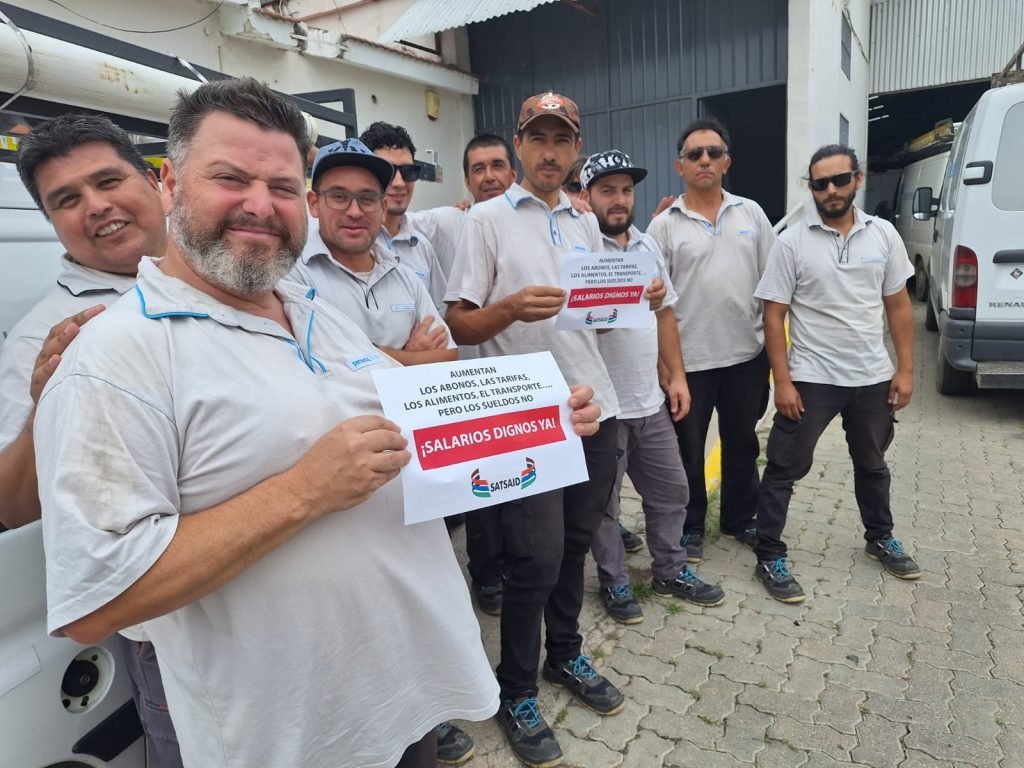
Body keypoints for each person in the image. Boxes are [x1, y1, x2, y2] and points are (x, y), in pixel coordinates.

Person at [34, 78, 600, 768]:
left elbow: (421, 428)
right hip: (292, 742)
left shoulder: (312, 313)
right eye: (230, 179)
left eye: (280, 186)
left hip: (406, 703)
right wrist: (303, 491)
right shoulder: (115, 356)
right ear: (170, 184)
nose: (259, 205)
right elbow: (95, 602)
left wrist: (539, 417)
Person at [445, 91, 663, 767]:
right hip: (526, 414)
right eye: (537, 138)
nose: (548, 151)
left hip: (594, 406)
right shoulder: (486, 220)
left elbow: (598, 321)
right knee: (533, 559)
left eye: (560, 139)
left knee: (573, 546)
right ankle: (515, 690)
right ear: (518, 146)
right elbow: (458, 323)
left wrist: (636, 294)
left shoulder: (584, 221)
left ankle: (564, 653)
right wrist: (509, 309)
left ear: (575, 149)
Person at [3, 114, 183, 767]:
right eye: (66, 199)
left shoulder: (228, 276)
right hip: (174, 633)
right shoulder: (46, 335)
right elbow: (12, 505)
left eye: (108, 181)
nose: (95, 206)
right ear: (52, 221)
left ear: (156, 181)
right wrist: (42, 407)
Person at [751, 145, 919, 603]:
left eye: (839, 180)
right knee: (784, 465)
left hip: (871, 376)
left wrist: (905, 370)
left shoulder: (883, 235)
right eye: (820, 183)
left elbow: (899, 306)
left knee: (872, 462)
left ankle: (880, 537)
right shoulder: (792, 242)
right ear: (811, 188)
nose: (830, 190)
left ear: (857, 179)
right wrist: (783, 382)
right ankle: (769, 553)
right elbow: (773, 314)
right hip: (812, 378)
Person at [581, 149, 726, 625]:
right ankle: (615, 582)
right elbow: (580, 324)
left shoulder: (646, 246)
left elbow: (666, 316)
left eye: (626, 190)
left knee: (672, 491)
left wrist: (676, 376)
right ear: (586, 196)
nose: (619, 200)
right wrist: (623, 298)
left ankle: (670, 569)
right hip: (604, 407)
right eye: (607, 190)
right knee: (604, 506)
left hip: (649, 399)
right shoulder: (579, 251)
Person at [647, 117, 777, 565]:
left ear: (727, 162)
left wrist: (777, 357)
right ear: (679, 166)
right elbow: (654, 304)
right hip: (689, 362)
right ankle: (689, 525)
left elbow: (773, 285)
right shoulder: (663, 226)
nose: (704, 160)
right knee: (687, 449)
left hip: (746, 356)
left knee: (742, 442)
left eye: (713, 153)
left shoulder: (752, 214)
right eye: (694, 154)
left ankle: (741, 518)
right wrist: (665, 368)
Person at [290, 138, 456, 367]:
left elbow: (448, 356)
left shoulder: (404, 276)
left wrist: (380, 357)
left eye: (367, 199)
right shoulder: (294, 276)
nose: (355, 212)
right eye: (339, 197)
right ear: (313, 203)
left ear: (383, 208)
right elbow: (316, 366)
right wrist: (405, 356)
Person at [407, 133, 518, 280]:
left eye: (498, 166)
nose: (489, 177)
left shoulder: (533, 223)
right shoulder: (447, 223)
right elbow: (393, 222)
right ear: (467, 182)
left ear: (513, 176)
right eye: (479, 169)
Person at [359, 121, 447, 309]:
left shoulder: (421, 247)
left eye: (408, 171)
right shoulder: (351, 241)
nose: (399, 183)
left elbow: (440, 313)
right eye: (388, 171)